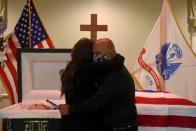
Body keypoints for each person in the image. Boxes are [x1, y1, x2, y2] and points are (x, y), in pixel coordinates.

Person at [59, 38, 138, 131]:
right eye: (94, 54)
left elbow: (96, 101)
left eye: (97, 53)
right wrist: (118, 59)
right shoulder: (93, 69)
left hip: (119, 126)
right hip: (89, 123)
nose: (95, 57)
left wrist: (70, 109)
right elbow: (115, 64)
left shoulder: (115, 75)